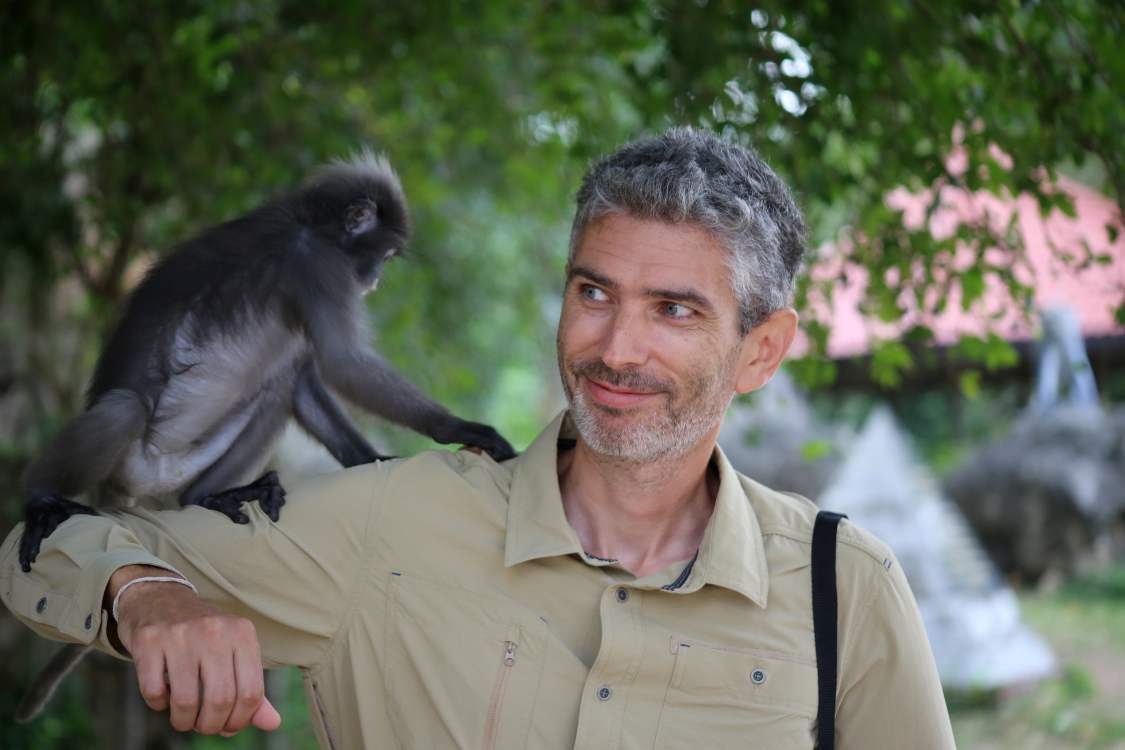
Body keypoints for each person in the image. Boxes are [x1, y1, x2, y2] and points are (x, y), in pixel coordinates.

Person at [1, 127, 955, 749]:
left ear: (760, 351)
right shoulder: (386, 522)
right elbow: (43, 548)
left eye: (672, 310)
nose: (615, 348)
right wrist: (149, 593)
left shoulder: (845, 588)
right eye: (593, 293)